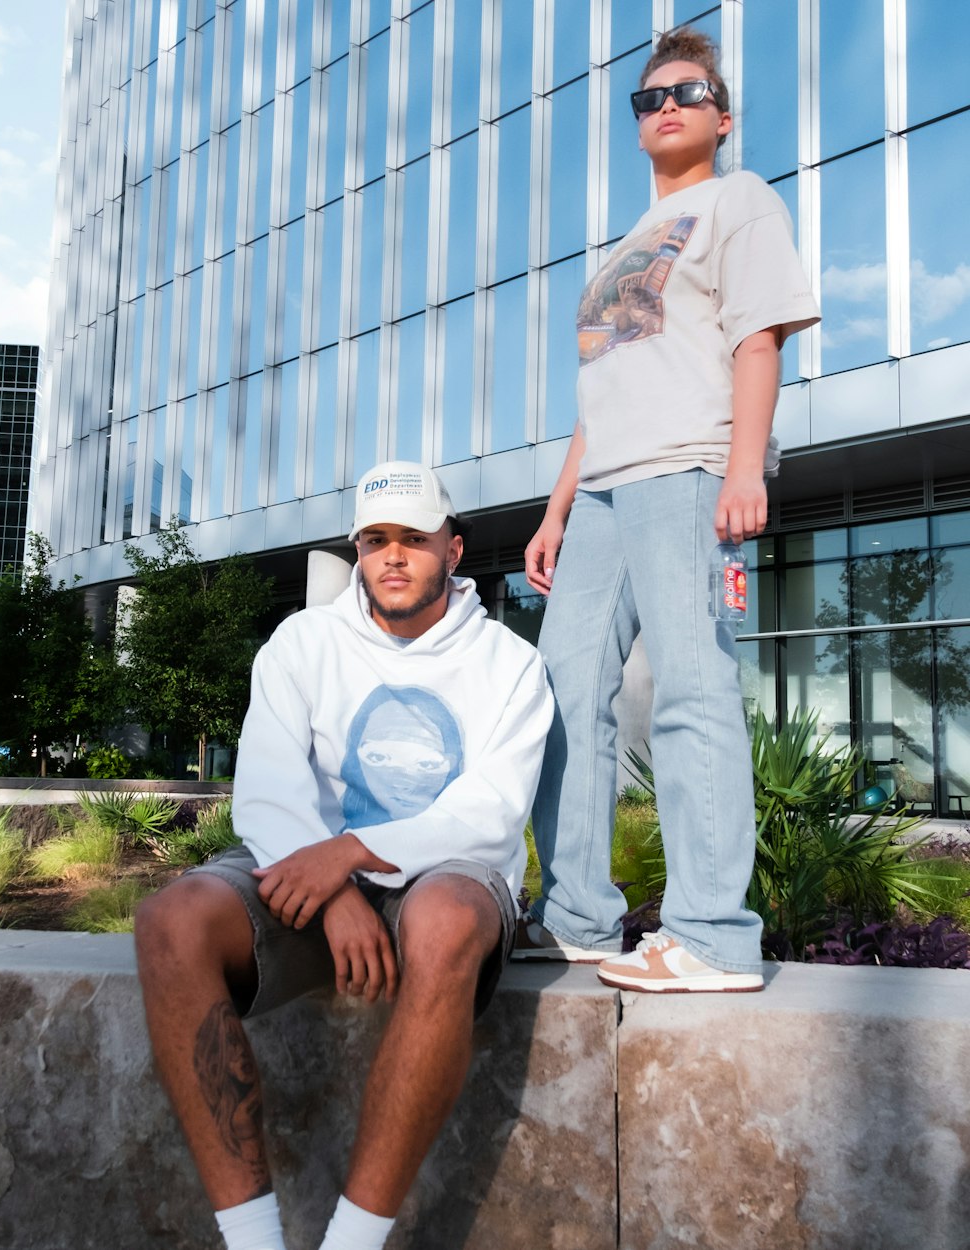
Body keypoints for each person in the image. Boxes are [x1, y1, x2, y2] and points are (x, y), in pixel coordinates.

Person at [135, 460, 553, 1250]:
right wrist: (335, 890)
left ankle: (352, 1243)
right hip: (311, 876)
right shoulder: (303, 641)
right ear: (359, 550)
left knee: (447, 921)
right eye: (375, 540)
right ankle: (254, 1240)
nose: (393, 556)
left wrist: (354, 850)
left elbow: (491, 812)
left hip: (441, 873)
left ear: (453, 550)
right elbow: (265, 787)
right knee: (171, 923)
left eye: (414, 540)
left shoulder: (510, 664)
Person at [515, 26, 820, 991]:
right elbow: (600, 392)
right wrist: (557, 510)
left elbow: (759, 341)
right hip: (604, 485)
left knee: (692, 688)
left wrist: (745, 470)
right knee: (563, 696)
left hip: (689, 467)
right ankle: (576, 916)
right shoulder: (622, 247)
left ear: (721, 117)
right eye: (649, 99)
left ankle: (714, 935)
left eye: (687, 92)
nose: (668, 107)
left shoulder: (741, 200)